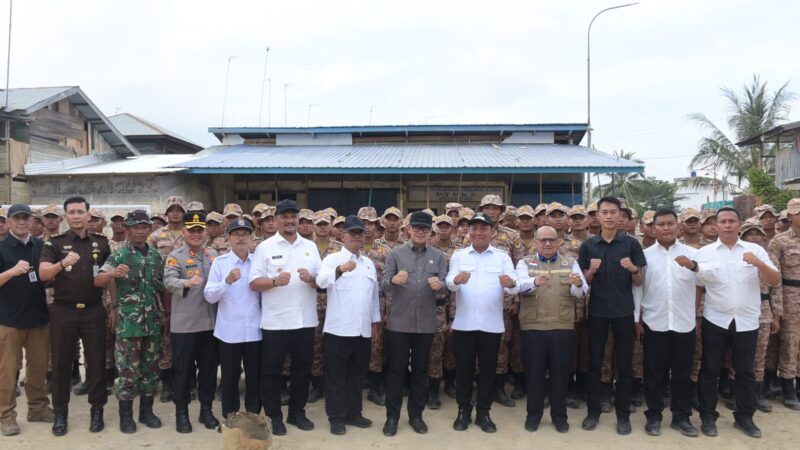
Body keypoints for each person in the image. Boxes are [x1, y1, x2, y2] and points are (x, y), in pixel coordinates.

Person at [696, 207, 780, 438]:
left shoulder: (756, 250)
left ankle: (744, 417)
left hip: (747, 320)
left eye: (731, 221)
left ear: (739, 224)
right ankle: (707, 416)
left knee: (744, 371)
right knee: (710, 369)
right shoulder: (705, 252)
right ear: (716, 225)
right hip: (715, 318)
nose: (727, 225)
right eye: (722, 221)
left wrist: (759, 264)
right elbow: (698, 286)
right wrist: (695, 316)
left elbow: (774, 280)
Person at [39, 196, 111, 436]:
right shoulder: (54, 244)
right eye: (72, 212)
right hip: (64, 310)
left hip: (93, 309)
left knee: (97, 362)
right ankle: (60, 414)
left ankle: (97, 410)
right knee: (61, 363)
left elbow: (108, 275)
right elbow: (43, 274)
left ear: (88, 215)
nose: (77, 216)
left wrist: (114, 306)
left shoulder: (101, 243)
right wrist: (62, 263)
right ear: (65, 216)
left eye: (81, 212)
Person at [249, 199, 321, 436]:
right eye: (285, 217)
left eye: (293, 217)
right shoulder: (265, 247)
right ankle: (274, 416)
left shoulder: (310, 246)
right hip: (276, 322)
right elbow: (253, 282)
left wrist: (311, 279)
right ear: (276, 220)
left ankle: (297, 413)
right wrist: (274, 281)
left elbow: (322, 281)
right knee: (271, 373)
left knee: (302, 370)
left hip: (305, 320)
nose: (290, 221)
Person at [578, 196, 645, 435]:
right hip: (597, 311)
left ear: (620, 215)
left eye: (613, 212)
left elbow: (639, 281)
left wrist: (633, 269)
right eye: (604, 212)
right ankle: (593, 412)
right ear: (597, 216)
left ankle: (623, 416)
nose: (608, 216)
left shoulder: (631, 244)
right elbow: (583, 283)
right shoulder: (588, 246)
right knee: (594, 364)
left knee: (624, 365)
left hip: (623, 312)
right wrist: (591, 271)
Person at [446, 212, 518, 433]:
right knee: (464, 371)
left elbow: (514, 286)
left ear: (492, 232)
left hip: (491, 325)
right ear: (468, 232)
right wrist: (456, 280)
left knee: (488, 372)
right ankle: (463, 411)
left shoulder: (502, 257)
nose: (478, 232)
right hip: (464, 324)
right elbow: (449, 283)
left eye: (483, 228)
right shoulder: (459, 255)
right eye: (474, 228)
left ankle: (484, 413)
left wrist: (510, 283)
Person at [95, 210, 165, 433]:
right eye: (135, 227)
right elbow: (98, 280)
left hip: (152, 321)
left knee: (150, 369)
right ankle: (126, 416)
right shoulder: (119, 254)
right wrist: (113, 274)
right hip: (129, 323)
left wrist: (166, 315)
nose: (140, 231)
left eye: (144, 227)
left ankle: (146, 411)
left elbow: (162, 288)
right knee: (127, 370)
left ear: (149, 229)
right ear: (127, 229)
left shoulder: (156, 256)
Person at [379, 211, 448, 436]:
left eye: (425, 228)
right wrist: (393, 280)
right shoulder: (395, 254)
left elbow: (446, 287)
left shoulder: (439, 256)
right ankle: (392, 417)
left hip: (426, 323)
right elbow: (383, 283)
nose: (420, 232)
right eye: (416, 227)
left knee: (420, 371)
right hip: (399, 322)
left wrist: (441, 285)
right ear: (408, 229)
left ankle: (416, 416)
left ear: (430, 232)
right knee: (396, 371)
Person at [632, 209, 700, 437]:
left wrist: (693, 266)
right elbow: (638, 289)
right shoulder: (645, 256)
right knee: (654, 374)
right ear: (653, 228)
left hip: (684, 322)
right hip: (655, 323)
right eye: (661, 224)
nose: (666, 228)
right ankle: (653, 416)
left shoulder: (693, 254)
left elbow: (704, 282)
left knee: (682, 374)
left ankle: (681, 417)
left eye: (670, 223)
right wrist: (636, 319)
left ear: (678, 226)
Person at [515, 226, 587, 433]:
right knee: (534, 374)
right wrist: (534, 281)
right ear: (535, 242)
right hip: (533, 326)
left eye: (551, 240)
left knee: (560, 374)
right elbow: (518, 286)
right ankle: (533, 416)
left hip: (561, 326)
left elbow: (582, 292)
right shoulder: (524, 262)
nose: (547, 243)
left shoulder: (570, 263)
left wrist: (577, 285)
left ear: (558, 242)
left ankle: (560, 417)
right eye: (543, 240)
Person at [316, 215, 381, 435]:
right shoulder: (332, 259)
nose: (356, 237)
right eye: (352, 233)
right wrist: (339, 270)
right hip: (338, 330)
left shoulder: (369, 264)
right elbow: (320, 281)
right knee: (336, 377)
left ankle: (354, 413)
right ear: (342, 236)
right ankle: (336, 417)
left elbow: (373, 297)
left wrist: (375, 322)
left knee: (357, 375)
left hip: (362, 330)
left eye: (359, 233)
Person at [0, 204, 54, 436]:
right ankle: (6, 415)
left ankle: (38, 408)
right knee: (7, 371)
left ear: (32, 221)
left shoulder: (41, 247)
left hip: (38, 317)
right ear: (9, 222)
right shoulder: (1, 248)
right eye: (17, 218)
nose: (22, 222)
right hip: (9, 319)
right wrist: (11, 272)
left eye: (26, 218)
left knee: (38, 368)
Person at [163, 212, 219, 433]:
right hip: (185, 325)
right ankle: (182, 413)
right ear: (184, 232)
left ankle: (206, 410)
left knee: (208, 371)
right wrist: (186, 283)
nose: (196, 234)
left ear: (205, 232)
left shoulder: (213, 254)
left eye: (200, 230)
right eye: (192, 230)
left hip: (210, 324)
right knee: (183, 371)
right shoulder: (175, 256)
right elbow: (168, 281)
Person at [204, 218, 262, 419]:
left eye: (245, 234)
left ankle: (254, 418)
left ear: (252, 238)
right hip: (229, 332)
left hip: (255, 330)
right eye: (236, 234)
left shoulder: (259, 263)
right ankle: (231, 418)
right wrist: (226, 281)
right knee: (230, 378)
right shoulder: (220, 263)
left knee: (254, 377)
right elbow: (209, 296)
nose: (241, 238)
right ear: (228, 238)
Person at [148, 196, 187, 403]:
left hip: (187, 292)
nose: (175, 213)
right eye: (172, 209)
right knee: (165, 339)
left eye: (179, 209)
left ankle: (187, 382)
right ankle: (167, 383)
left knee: (186, 340)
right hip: (162, 292)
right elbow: (148, 261)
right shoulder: (155, 236)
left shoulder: (192, 232)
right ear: (167, 212)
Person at [768, 198, 800, 410]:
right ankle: (788, 388)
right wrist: (777, 310)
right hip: (790, 297)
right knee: (790, 343)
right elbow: (775, 279)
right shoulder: (778, 241)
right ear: (790, 216)